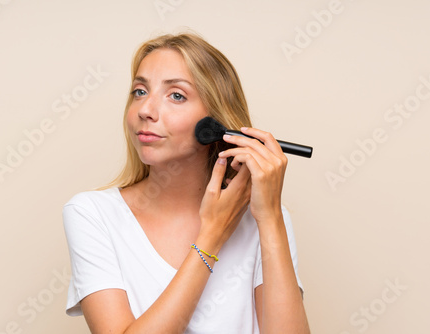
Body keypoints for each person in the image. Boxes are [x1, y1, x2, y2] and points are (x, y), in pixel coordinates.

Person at [62, 32, 310, 333]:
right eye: (139, 91)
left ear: (216, 123)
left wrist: (270, 217)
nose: (145, 110)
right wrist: (212, 235)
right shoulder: (93, 214)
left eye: (176, 95)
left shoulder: (264, 219)